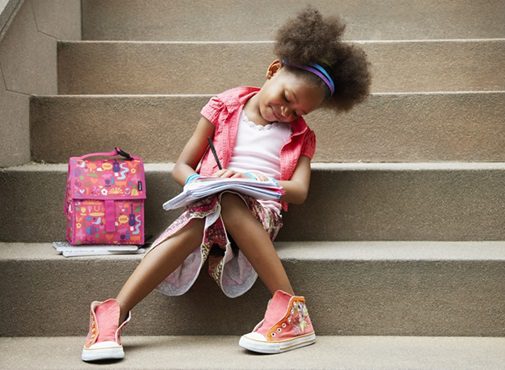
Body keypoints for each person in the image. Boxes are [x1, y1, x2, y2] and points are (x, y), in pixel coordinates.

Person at [81, 6, 371, 361]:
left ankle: (291, 311)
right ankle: (112, 312)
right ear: (275, 71)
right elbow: (181, 166)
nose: (286, 113)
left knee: (229, 198)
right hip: (207, 201)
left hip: (260, 210)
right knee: (210, 208)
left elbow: (298, 190)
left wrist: (253, 179)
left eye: (298, 113)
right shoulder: (223, 107)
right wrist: (199, 181)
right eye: (286, 99)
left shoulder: (301, 137)